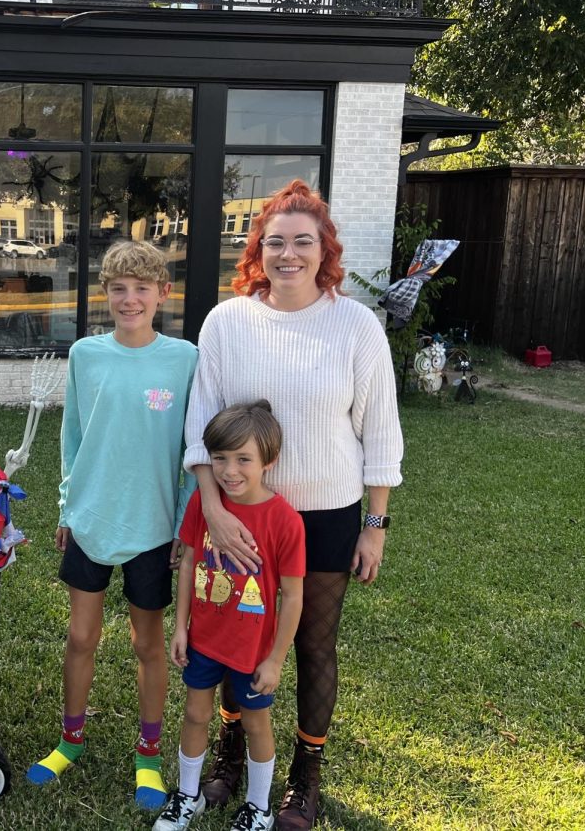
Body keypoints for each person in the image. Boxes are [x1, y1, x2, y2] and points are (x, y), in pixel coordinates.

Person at [183, 180, 403, 829]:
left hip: (328, 514)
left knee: (311, 644)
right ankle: (228, 749)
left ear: (324, 249)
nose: (288, 254)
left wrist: (376, 526)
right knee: (232, 634)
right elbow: (201, 425)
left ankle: (305, 774)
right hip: (240, 514)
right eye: (275, 241)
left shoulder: (355, 325)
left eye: (302, 241)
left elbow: (381, 431)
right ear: (258, 249)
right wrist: (213, 511)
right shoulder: (228, 321)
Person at [27, 240, 198, 810]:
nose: (129, 299)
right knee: (81, 636)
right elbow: (72, 438)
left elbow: (192, 452)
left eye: (141, 288)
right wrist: (65, 510)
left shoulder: (184, 360)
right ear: (106, 294)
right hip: (92, 518)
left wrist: (183, 524)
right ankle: (69, 740)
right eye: (119, 289)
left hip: (153, 526)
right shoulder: (86, 354)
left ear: (162, 294)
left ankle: (148, 757)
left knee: (148, 644)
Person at [155, 401, 304, 831]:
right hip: (204, 640)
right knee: (196, 714)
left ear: (268, 462)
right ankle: (187, 796)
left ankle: (259, 807)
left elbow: (292, 596)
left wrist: (275, 659)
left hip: (253, 651)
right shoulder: (205, 507)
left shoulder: (285, 521)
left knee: (257, 724)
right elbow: (186, 564)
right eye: (219, 458)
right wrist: (180, 626)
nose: (229, 471)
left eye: (243, 459)